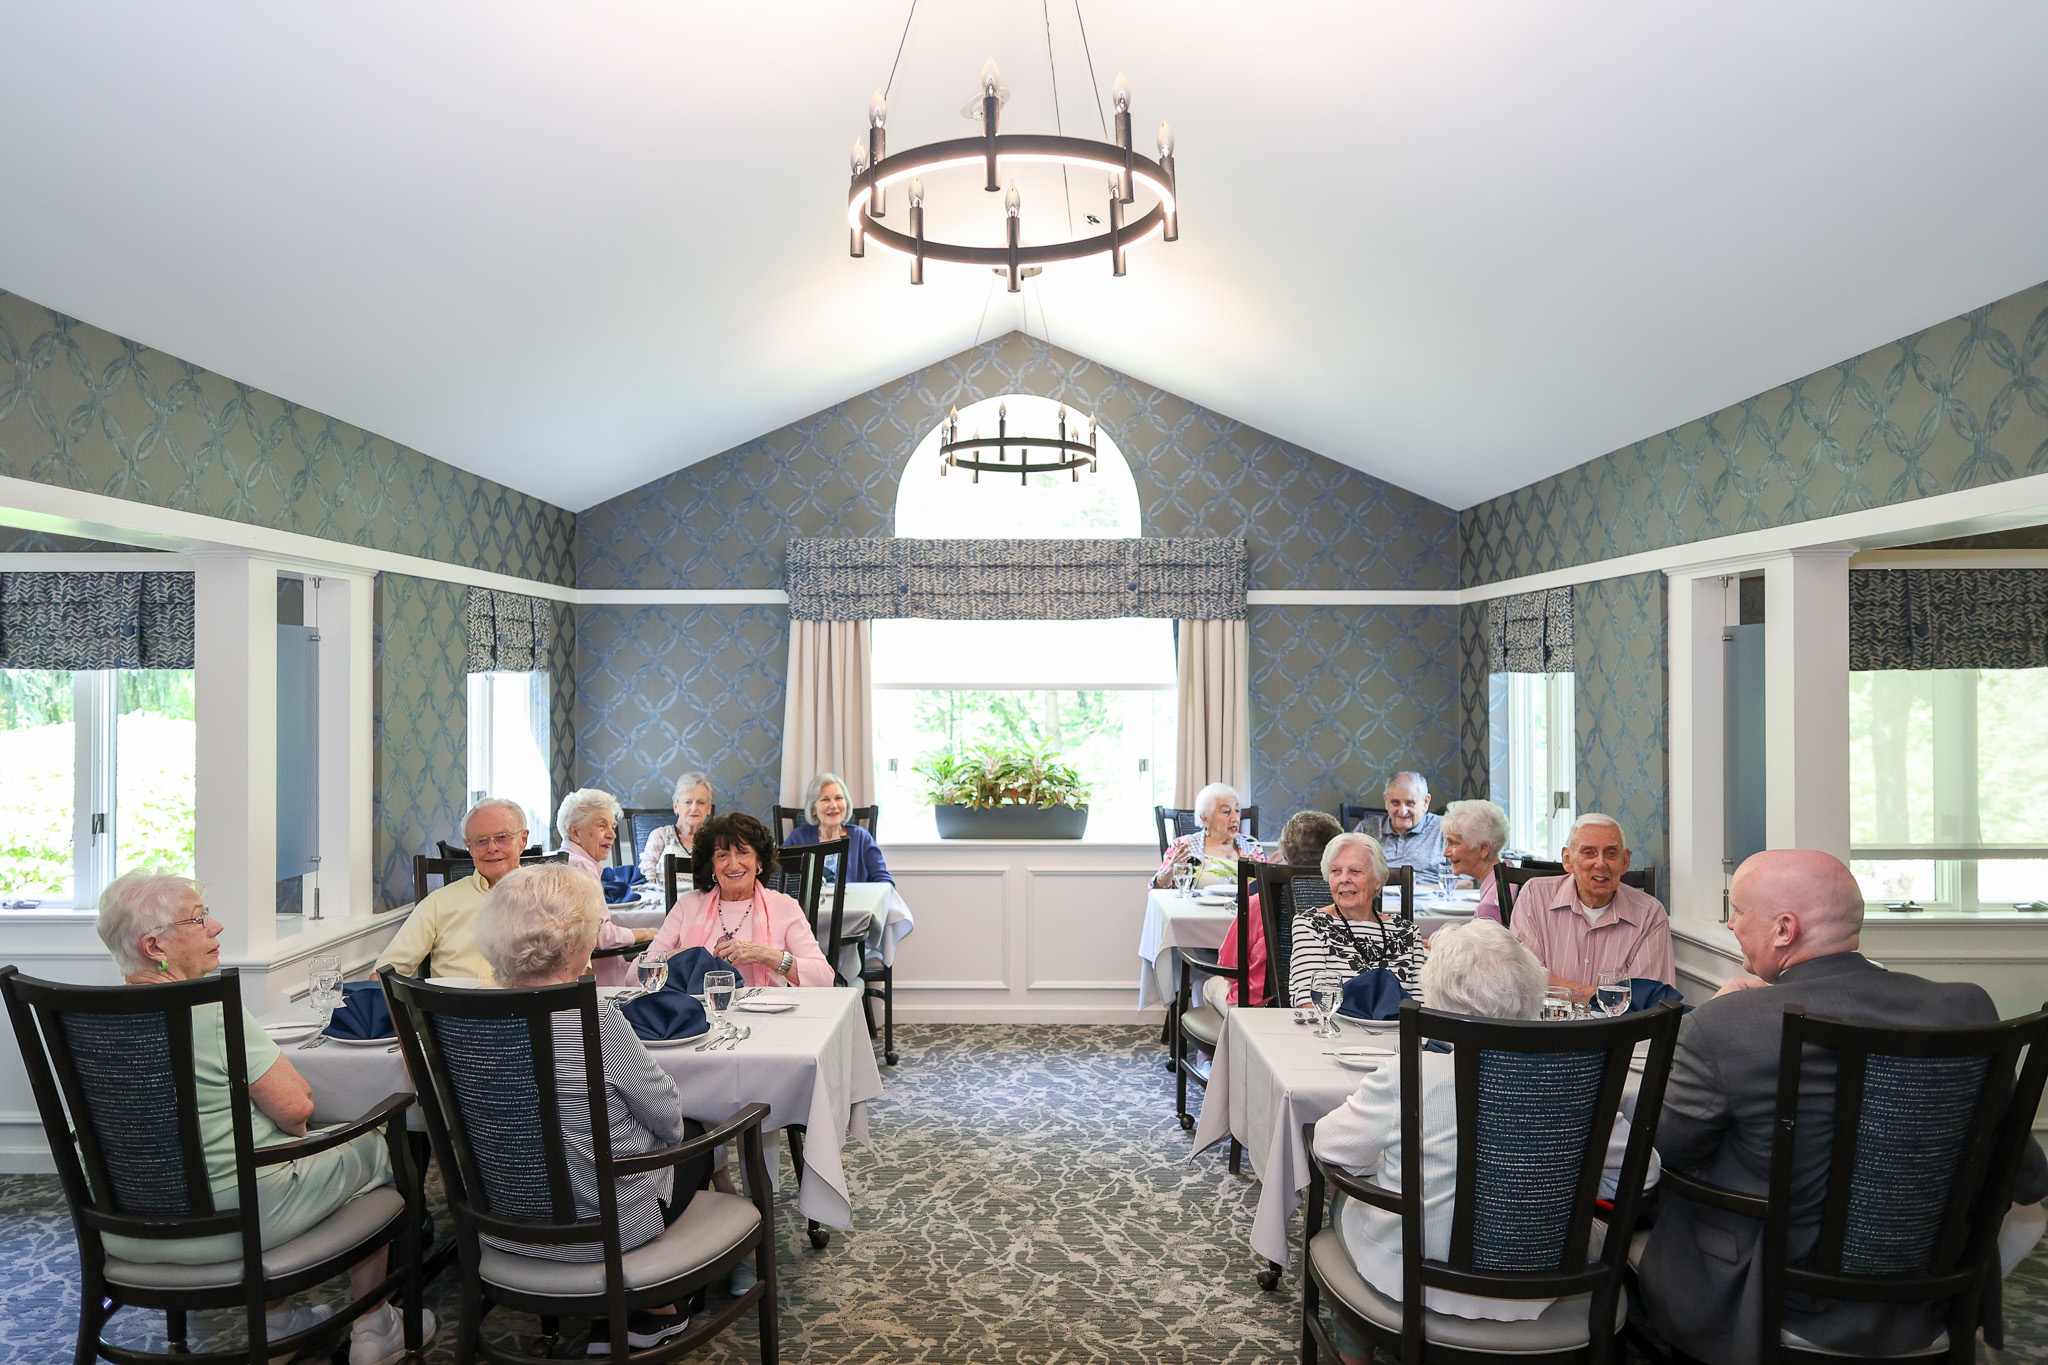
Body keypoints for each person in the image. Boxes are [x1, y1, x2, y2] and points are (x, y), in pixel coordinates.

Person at [1635, 849, 2048, 1364]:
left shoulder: (1727, 1026)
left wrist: (1721, 1014)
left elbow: (1666, 1150)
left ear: (1784, 929)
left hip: (1761, 1298)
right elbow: (2026, 1176)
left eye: (1737, 910)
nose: (1732, 923)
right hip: (1929, 1297)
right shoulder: (1966, 1007)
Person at [95, 871, 433, 1365]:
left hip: (124, 1226)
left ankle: (278, 1318)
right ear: (154, 945)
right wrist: (296, 1129)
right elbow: (298, 1109)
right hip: (233, 1221)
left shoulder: (85, 1019)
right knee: (375, 1141)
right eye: (198, 919)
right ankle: (374, 1324)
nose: (217, 927)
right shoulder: (209, 1008)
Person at [1313, 919, 1659, 1359]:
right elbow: (1641, 1177)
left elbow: (1331, 1146)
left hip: (1420, 1280)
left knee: (1345, 1201)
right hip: (1547, 1283)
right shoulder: (1583, 1078)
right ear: (1533, 988)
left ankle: (1354, 1352)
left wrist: (1385, 1167)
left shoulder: (1412, 1072)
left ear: (1435, 994)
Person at [475, 863, 706, 1355]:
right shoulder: (595, 1017)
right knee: (699, 1140)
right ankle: (650, 1306)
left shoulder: (470, 1020)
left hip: (503, 1227)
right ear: (579, 943)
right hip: (602, 1233)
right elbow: (666, 1116)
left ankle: (616, 1312)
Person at [644, 812, 834, 988]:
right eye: (722, 855)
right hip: (695, 1015)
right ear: (711, 865)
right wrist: (681, 956)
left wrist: (765, 954)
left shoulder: (785, 906)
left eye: (743, 852)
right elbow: (635, 974)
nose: (733, 865)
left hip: (767, 1017)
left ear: (758, 861)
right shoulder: (688, 905)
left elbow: (824, 979)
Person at [1507, 813, 1674, 1004]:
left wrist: (1562, 989)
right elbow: (1527, 980)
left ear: (1625, 861)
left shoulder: (1649, 914)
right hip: (1547, 1028)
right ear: (1568, 860)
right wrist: (1603, 997)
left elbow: (1647, 1002)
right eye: (1589, 852)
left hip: (1617, 1031)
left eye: (1611, 853)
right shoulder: (1534, 896)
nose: (1601, 863)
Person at [1206, 810, 1343, 1010]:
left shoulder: (1259, 901)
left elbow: (1230, 968)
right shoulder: (1348, 901)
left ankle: (1232, 1037)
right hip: (1329, 1003)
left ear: (1286, 851)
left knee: (1206, 985)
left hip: (1262, 1004)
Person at [1288, 831, 1424, 1005]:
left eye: (1355, 871)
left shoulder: (1407, 932)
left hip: (1397, 1032)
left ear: (1378, 880)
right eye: (1335, 871)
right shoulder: (1311, 925)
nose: (1344, 879)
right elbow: (1309, 1002)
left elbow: (1421, 1005)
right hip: (1334, 1030)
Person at [554, 788, 657, 985]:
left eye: (612, 827)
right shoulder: (580, 866)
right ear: (574, 832)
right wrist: (647, 933)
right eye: (602, 826)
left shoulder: (566, 860)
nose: (612, 835)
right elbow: (599, 936)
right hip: (596, 982)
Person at [782, 771, 893, 885]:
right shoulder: (798, 838)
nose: (834, 806)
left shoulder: (861, 837)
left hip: (853, 902)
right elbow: (779, 876)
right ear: (813, 808)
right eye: (825, 799)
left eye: (838, 798)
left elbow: (884, 882)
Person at [1153, 782, 1267, 889]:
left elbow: (1264, 893)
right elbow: (1156, 889)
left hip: (1244, 910)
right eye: (1226, 811)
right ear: (1205, 818)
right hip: (1196, 910)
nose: (1235, 818)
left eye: (1237, 810)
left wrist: (1271, 877)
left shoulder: (1252, 845)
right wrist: (1168, 873)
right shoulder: (1183, 846)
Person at [1352, 771, 1447, 874]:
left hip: (1431, 888)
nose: (1402, 811)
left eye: (1410, 803)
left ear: (1426, 802)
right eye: (1395, 803)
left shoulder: (1445, 829)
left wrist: (1424, 888)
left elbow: (1465, 880)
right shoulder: (1365, 830)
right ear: (1386, 800)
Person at [1440, 798, 1511, 922]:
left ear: (1483, 848)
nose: (1445, 853)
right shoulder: (1509, 874)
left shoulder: (1490, 907)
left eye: (1453, 843)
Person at [637, 771, 714, 882]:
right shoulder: (660, 836)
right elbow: (647, 880)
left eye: (701, 802)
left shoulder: (715, 840)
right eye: (688, 802)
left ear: (709, 809)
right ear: (676, 807)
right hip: (664, 898)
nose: (694, 808)